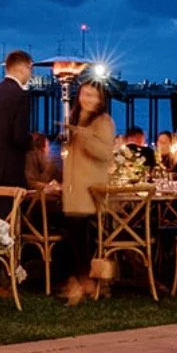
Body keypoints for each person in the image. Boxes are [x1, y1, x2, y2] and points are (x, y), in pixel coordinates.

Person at [59, 78, 116, 304]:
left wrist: (83, 135)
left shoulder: (103, 121)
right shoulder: (75, 118)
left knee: (81, 240)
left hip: (90, 191)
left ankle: (84, 282)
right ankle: (81, 282)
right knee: (74, 238)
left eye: (92, 95)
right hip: (73, 189)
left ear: (100, 99)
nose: (87, 99)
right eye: (84, 94)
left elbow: (105, 153)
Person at [0, 50, 36, 191]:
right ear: (23, 67)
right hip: (9, 170)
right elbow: (19, 137)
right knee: (9, 205)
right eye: (30, 69)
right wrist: (32, 141)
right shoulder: (20, 96)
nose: (31, 74)